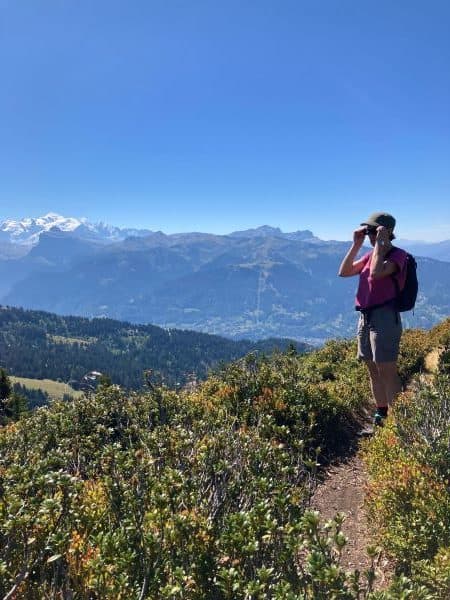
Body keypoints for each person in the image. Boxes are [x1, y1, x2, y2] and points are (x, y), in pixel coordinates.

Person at [338, 212, 407, 426]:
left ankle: (401, 424)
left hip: (385, 317)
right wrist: (356, 244)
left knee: (386, 369)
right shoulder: (369, 255)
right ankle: (381, 413)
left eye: (373, 230)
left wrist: (380, 243)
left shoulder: (398, 256)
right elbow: (344, 271)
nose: (369, 234)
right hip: (366, 317)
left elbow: (376, 273)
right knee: (372, 369)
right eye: (369, 231)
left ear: (387, 232)